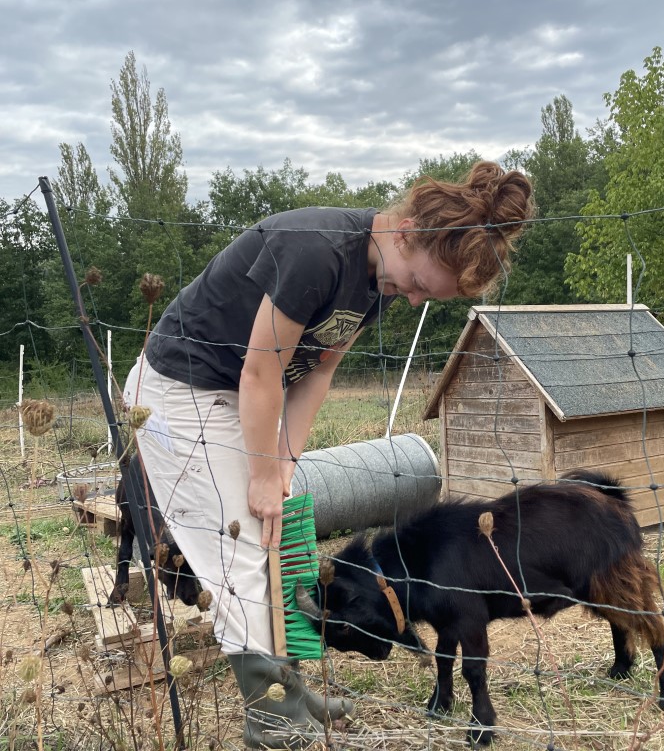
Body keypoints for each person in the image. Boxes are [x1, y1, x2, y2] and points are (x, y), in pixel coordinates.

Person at [122, 160, 533, 749]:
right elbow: (262, 370)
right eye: (419, 284)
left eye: (426, 296)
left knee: (275, 539)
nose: (414, 301)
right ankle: (271, 720)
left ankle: (284, 690)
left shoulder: (378, 282)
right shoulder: (318, 252)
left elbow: (317, 373)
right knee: (239, 544)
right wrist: (262, 475)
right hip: (177, 389)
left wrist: (283, 465)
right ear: (408, 230)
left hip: (232, 391)